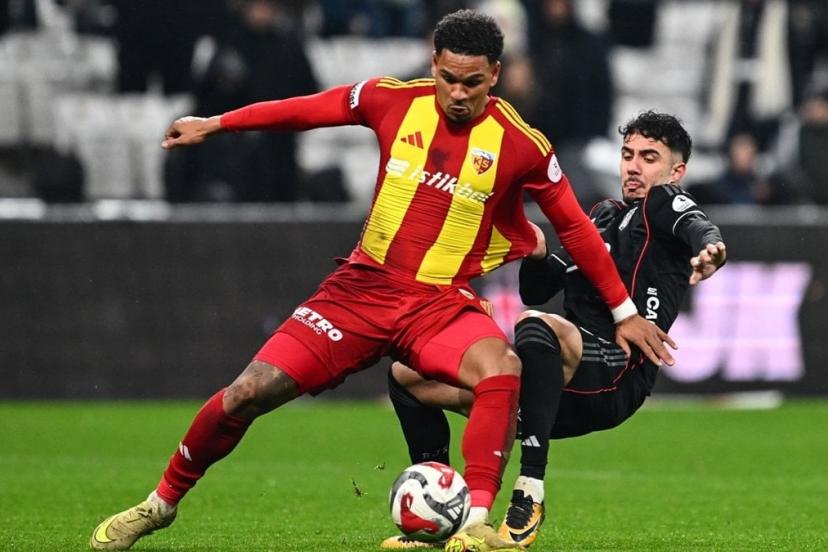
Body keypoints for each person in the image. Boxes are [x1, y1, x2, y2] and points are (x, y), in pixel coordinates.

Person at [89, 11, 674, 552]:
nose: (459, 93)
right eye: (449, 78)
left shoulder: (523, 144)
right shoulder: (390, 99)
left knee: (500, 367)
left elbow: (576, 229)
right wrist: (217, 123)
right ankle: (159, 504)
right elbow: (307, 110)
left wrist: (624, 313)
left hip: (440, 304)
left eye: (473, 82)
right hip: (359, 291)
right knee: (248, 392)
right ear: (433, 62)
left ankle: (474, 524)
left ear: (495, 75)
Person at [383, 111, 726, 549]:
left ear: (676, 171)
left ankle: (530, 491)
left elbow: (696, 224)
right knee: (408, 378)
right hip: (554, 379)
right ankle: (444, 515)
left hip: (618, 372)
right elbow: (537, 288)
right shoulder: (603, 216)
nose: (634, 167)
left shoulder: (663, 203)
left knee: (535, 326)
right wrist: (538, 252)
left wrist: (711, 249)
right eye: (628, 155)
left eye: (649, 158)